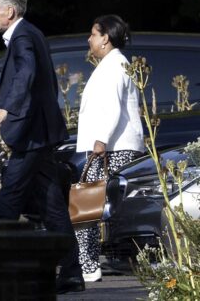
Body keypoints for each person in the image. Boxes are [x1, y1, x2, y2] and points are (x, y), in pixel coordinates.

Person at [0, 0, 85, 294]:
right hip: (39, 135)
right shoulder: (32, 33)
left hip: (30, 136)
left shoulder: (23, 36)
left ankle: (1, 275)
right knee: (53, 207)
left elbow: (27, 75)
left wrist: (6, 110)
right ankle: (71, 273)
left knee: (8, 202)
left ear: (8, 11)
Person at [76, 14, 144, 282]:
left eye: (93, 34)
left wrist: (100, 140)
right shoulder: (111, 64)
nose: (89, 39)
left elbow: (112, 107)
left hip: (110, 149)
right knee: (89, 206)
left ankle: (88, 265)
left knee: (85, 205)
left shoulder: (115, 66)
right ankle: (88, 263)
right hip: (108, 148)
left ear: (105, 38)